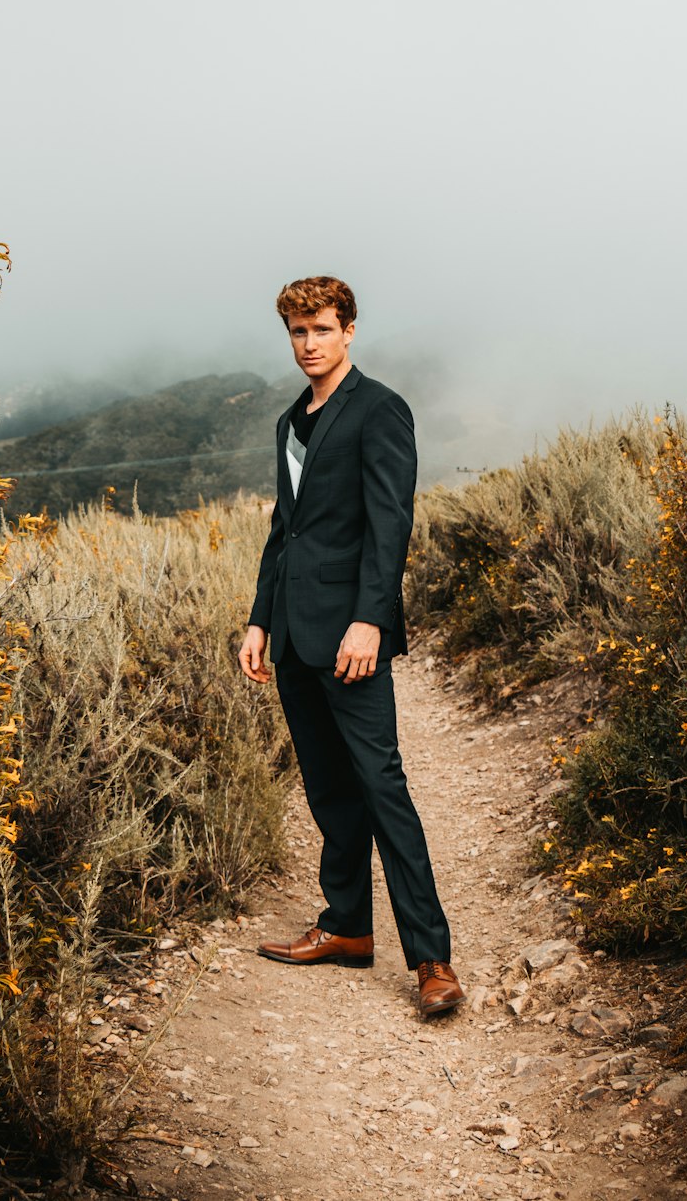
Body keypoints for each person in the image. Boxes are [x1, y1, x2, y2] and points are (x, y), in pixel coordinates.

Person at [238, 275, 464, 1018]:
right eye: (298, 333)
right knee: (330, 788)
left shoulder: (379, 410)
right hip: (296, 638)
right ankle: (345, 927)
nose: (309, 345)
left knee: (381, 785)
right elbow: (285, 532)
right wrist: (259, 622)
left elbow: (390, 522)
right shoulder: (289, 423)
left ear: (350, 331)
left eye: (322, 330)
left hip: (350, 634)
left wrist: (371, 618)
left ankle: (431, 957)